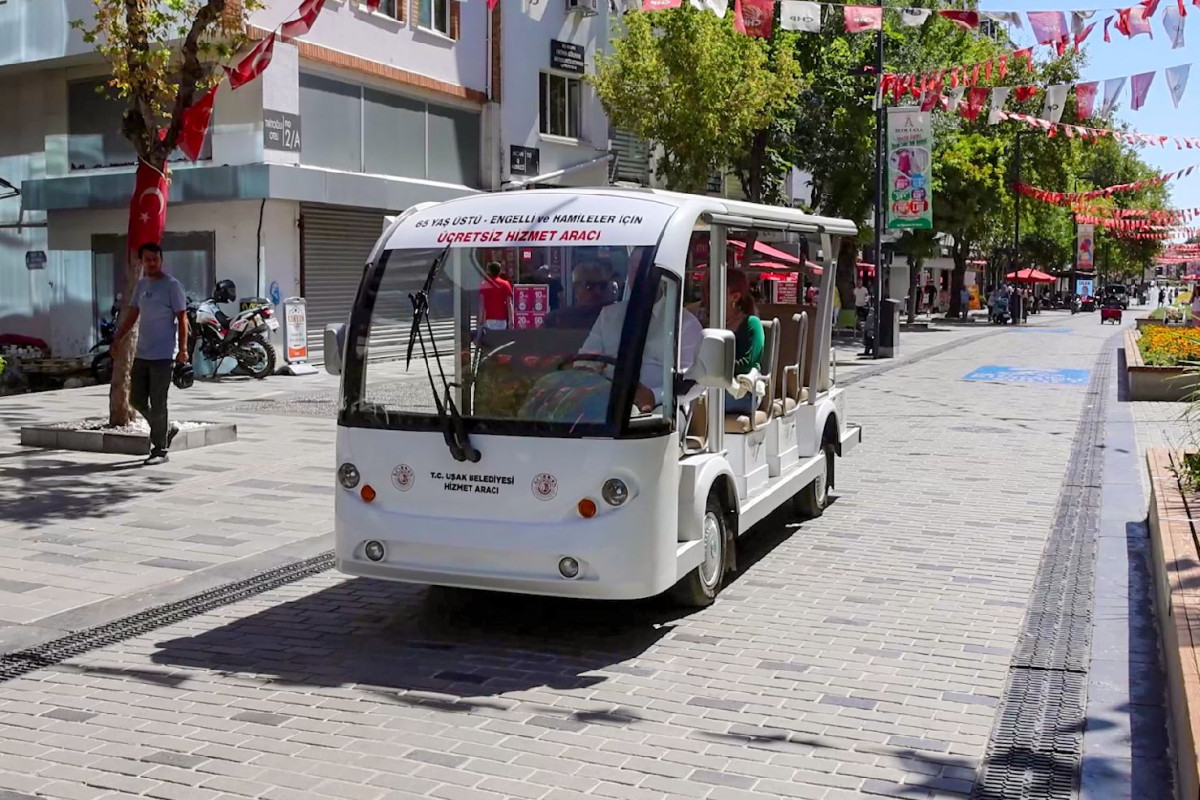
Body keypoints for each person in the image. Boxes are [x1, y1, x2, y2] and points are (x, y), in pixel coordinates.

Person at [578, 252, 703, 413]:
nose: (637, 276)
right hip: (608, 405)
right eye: (633, 269)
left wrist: (655, 395)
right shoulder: (608, 316)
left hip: (663, 409)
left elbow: (692, 382)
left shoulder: (685, 323)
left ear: (663, 273)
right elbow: (585, 364)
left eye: (645, 269)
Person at [112, 242, 188, 465]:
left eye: (155, 259)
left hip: (163, 355)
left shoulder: (172, 286)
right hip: (142, 353)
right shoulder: (142, 285)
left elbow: (182, 319)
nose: (152, 263)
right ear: (141, 262)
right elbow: (132, 314)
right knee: (135, 399)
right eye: (148, 260)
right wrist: (118, 338)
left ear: (161, 260)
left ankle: (160, 450)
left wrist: (183, 350)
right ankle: (164, 428)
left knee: (158, 401)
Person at [725, 269, 765, 416]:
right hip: (717, 387)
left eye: (715, 289)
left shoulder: (751, 323)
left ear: (735, 297)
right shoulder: (711, 322)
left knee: (705, 401)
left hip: (745, 392)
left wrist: (714, 368)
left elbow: (748, 363)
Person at [542, 262, 615, 329]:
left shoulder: (617, 318)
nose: (598, 292)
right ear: (576, 288)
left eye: (603, 286)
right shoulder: (557, 319)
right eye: (590, 286)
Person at [478, 262, 513, 331]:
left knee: (490, 339)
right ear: (499, 271)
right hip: (502, 318)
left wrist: (481, 319)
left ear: (489, 271)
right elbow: (509, 303)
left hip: (489, 319)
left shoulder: (484, 284)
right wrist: (511, 320)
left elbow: (482, 304)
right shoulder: (505, 284)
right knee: (501, 339)